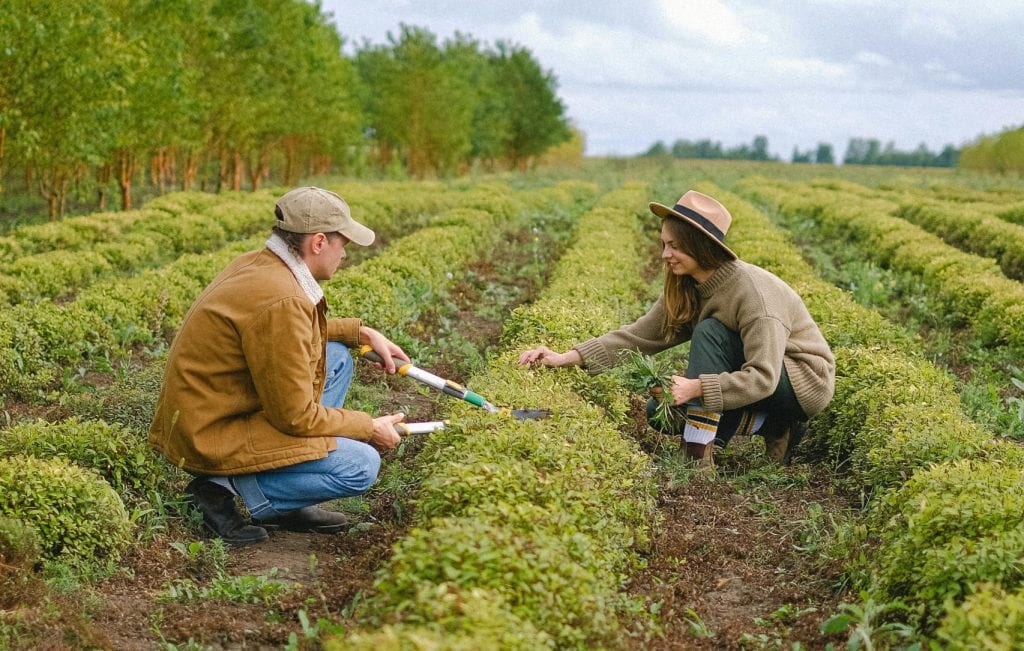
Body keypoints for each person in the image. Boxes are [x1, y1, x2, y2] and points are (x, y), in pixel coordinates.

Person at [150, 186, 409, 545]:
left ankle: (283, 492)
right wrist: (366, 426)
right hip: (211, 433)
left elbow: (282, 332)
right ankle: (217, 489)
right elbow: (296, 417)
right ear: (318, 243)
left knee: (334, 357)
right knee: (361, 465)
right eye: (343, 243)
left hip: (215, 410)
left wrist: (359, 331)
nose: (345, 254)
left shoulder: (261, 265)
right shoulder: (282, 298)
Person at [518, 190, 835, 469]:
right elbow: (640, 335)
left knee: (710, 333)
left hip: (799, 380)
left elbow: (764, 377)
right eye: (663, 244)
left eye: (674, 246)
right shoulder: (689, 285)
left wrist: (696, 388)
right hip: (755, 376)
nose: (664, 254)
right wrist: (566, 358)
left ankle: (696, 458)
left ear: (700, 247)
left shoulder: (753, 296)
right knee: (660, 412)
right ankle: (774, 427)